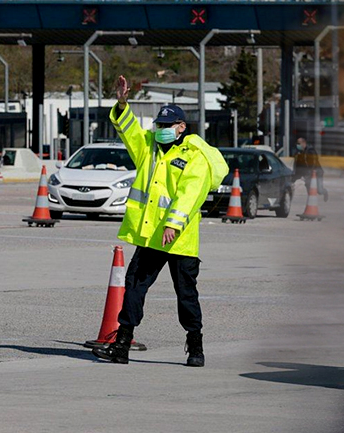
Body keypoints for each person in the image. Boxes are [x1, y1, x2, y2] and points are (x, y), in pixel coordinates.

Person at [92, 75, 228, 367]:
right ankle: (122, 345)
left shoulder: (195, 156)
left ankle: (195, 347)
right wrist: (122, 102)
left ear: (181, 127)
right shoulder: (149, 149)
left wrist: (173, 224)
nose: (161, 130)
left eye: (167, 126)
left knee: (186, 295)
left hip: (180, 239)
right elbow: (127, 130)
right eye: (158, 125)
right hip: (151, 235)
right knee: (134, 288)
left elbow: (190, 194)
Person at [293, 137, 329, 202]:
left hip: (317, 173)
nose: (297, 145)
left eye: (299, 143)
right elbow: (298, 166)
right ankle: (311, 204)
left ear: (304, 143)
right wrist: (294, 177)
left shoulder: (310, 151)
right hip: (308, 174)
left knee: (319, 190)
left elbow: (314, 163)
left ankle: (324, 192)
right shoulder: (299, 153)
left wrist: (310, 173)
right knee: (308, 187)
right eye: (297, 143)